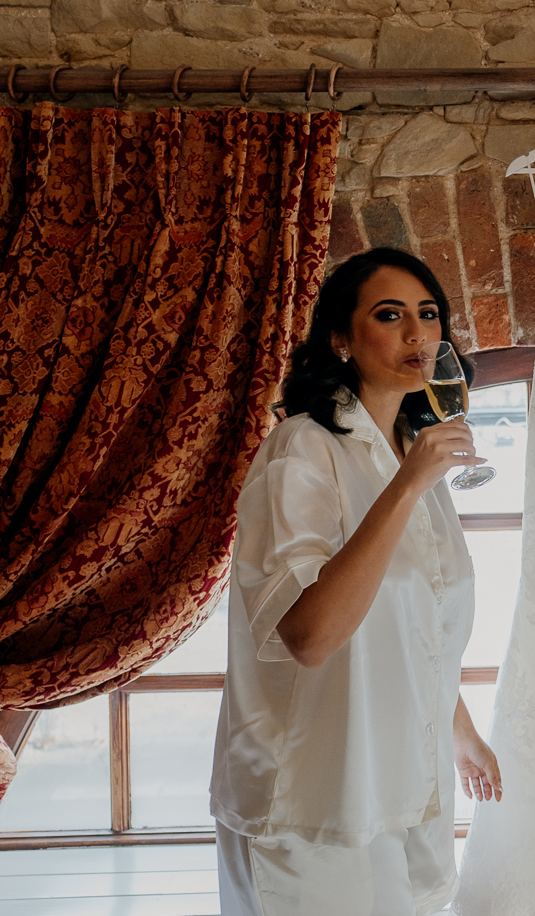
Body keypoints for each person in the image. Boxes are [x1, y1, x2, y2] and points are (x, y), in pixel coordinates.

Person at [211, 248, 501, 916]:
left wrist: (459, 732)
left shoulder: (410, 450)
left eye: (429, 316)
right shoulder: (304, 449)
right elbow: (312, 636)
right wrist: (408, 484)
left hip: (411, 786)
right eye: (390, 314)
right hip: (316, 803)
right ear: (340, 338)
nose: (417, 334)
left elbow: (416, 622)